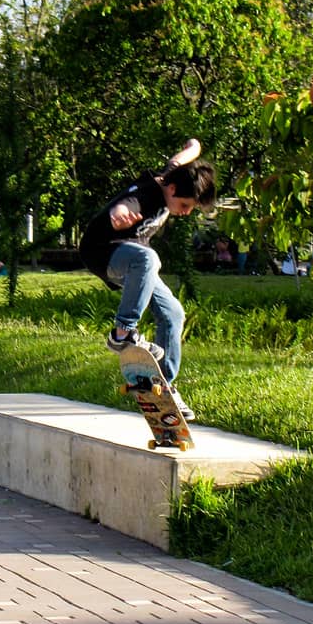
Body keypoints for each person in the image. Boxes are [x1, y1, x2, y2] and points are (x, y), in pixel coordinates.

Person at [79, 139, 216, 422]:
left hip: (132, 260)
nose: (185, 211)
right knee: (149, 259)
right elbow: (124, 205)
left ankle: (162, 384)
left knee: (173, 314)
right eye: (185, 205)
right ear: (173, 190)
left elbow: (180, 160)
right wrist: (119, 214)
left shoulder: (173, 178)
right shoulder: (146, 195)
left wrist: (194, 148)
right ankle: (122, 333)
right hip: (103, 252)